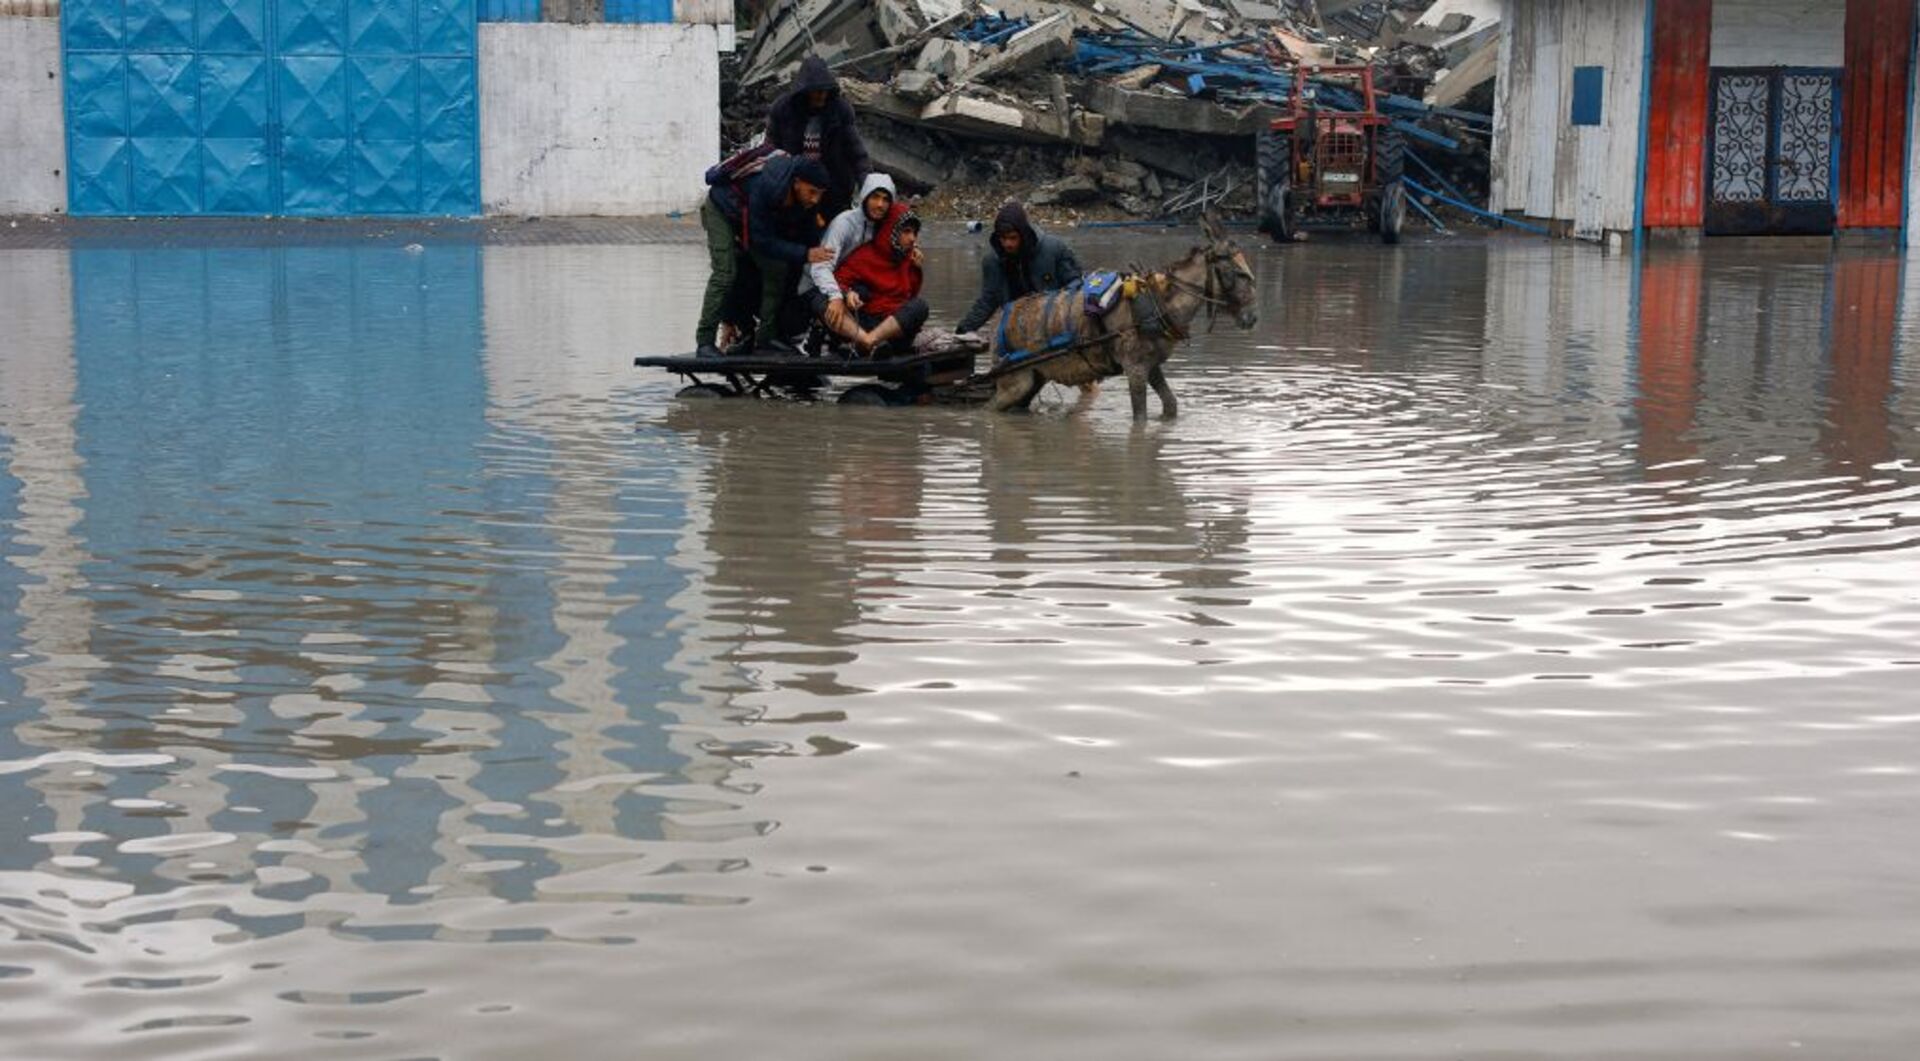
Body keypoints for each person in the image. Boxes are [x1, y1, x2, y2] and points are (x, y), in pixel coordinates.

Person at [696, 154, 833, 358]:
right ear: (796, 183)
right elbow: (762, 241)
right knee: (725, 272)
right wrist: (805, 253)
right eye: (812, 192)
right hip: (722, 210)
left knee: (777, 269)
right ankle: (705, 342)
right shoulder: (769, 188)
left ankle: (766, 338)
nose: (815, 199)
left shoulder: (805, 198)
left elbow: (808, 235)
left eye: (820, 194)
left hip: (750, 216)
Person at [956, 200, 1084, 335]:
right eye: (1003, 238)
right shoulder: (993, 262)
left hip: (1055, 324)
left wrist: (1057, 309)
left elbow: (1076, 283)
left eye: (1013, 238)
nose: (1008, 244)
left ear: (1024, 235)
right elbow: (988, 301)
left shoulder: (1054, 249)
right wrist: (962, 330)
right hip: (1016, 328)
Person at [765, 56, 871, 218]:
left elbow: (856, 153)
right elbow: (771, 151)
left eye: (825, 91)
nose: (822, 95)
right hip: (796, 191)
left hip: (834, 189)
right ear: (805, 90)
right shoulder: (783, 110)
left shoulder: (840, 111)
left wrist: (868, 186)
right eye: (817, 90)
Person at [802, 173, 897, 351]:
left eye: (885, 200)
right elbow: (821, 266)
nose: (880, 205)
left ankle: (840, 336)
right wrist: (836, 296)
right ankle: (867, 341)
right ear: (865, 197)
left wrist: (913, 249)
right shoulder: (844, 223)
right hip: (816, 283)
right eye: (875, 197)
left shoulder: (882, 226)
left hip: (849, 283)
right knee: (830, 305)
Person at [828, 201, 928, 357]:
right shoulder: (865, 255)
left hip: (895, 327)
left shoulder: (908, 258)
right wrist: (848, 293)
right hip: (870, 322)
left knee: (920, 306)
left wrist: (916, 269)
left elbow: (910, 295)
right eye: (906, 232)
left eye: (914, 233)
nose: (912, 238)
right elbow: (836, 282)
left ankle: (868, 343)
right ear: (891, 231)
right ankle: (871, 342)